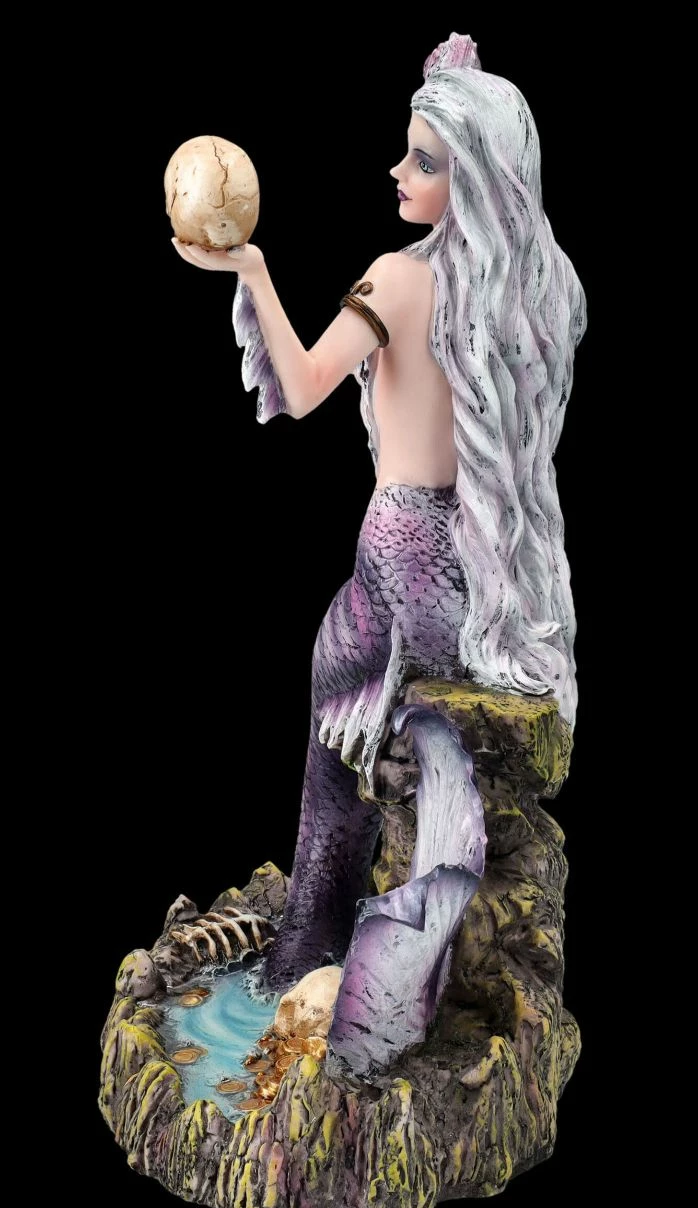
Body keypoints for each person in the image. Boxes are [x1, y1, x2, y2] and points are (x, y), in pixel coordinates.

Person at [171, 32, 587, 995]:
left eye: (423, 161)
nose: (398, 172)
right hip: (471, 571)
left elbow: (303, 386)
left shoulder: (396, 278)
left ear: (472, 180)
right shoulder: (528, 291)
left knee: (332, 718)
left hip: (398, 554)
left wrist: (253, 273)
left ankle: (311, 947)